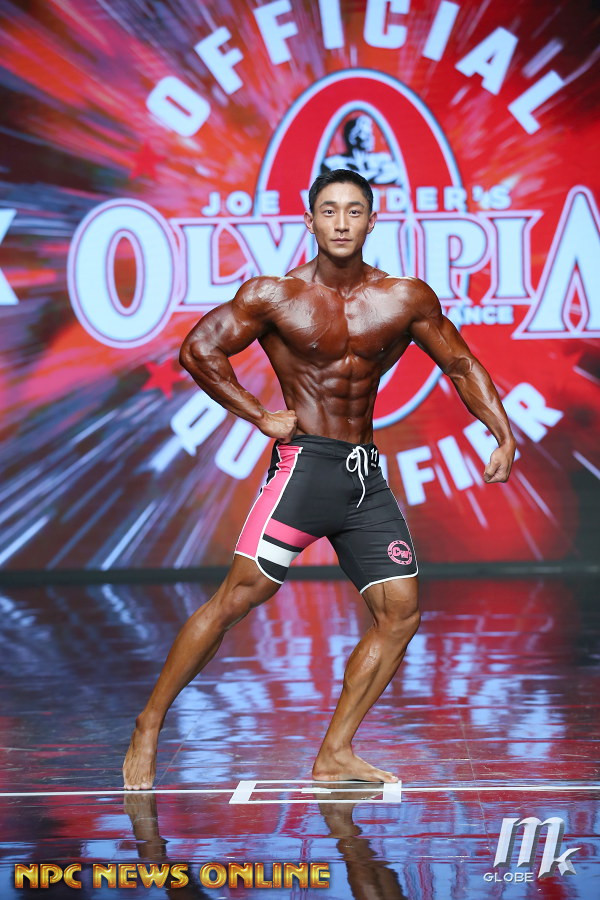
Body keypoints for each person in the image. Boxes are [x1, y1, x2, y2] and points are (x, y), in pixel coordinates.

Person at [123, 169, 516, 790]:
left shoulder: (404, 298)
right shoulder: (275, 296)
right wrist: (258, 414)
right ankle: (148, 724)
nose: (340, 222)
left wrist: (502, 432)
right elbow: (198, 350)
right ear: (309, 221)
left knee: (400, 613)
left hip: (364, 478)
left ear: (372, 221)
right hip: (303, 469)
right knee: (238, 598)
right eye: (329, 211)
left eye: (353, 211)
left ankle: (335, 752)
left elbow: (461, 364)